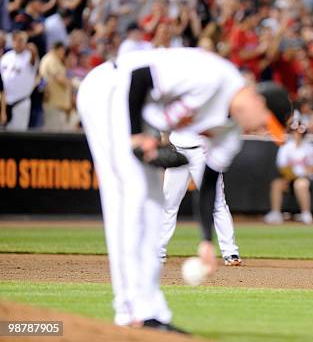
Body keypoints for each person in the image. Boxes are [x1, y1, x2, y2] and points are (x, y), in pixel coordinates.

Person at [77, 47, 291, 332]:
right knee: (132, 195)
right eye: (266, 123)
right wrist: (135, 137)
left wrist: (205, 241)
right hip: (109, 88)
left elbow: (209, 186)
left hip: (140, 112)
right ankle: (130, 311)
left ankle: (151, 312)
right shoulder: (214, 78)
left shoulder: (230, 135)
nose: (264, 130)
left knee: (153, 205)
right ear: (257, 101)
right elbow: (140, 77)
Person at [159, 130, 242, 266]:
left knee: (217, 203)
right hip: (177, 151)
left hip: (202, 152)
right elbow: (165, 121)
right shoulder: (175, 108)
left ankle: (230, 252)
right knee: (168, 203)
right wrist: (165, 143)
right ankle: (158, 251)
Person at [265, 118, 313, 225]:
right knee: (276, 184)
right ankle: (275, 213)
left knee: (301, 184)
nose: (296, 134)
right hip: (288, 177)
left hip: (305, 178)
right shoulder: (286, 147)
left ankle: (306, 214)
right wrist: (289, 177)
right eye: (294, 132)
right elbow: (282, 166)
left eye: (299, 132)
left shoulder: (310, 147)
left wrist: (300, 174)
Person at [0, 31, 39, 131]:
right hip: (4, 103)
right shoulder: (6, 57)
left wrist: (33, 50)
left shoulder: (29, 56)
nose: (18, 43)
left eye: (21, 40)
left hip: (20, 102)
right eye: (15, 40)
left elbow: (34, 57)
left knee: (18, 134)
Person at [39, 42, 72, 131]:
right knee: (52, 133)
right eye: (62, 51)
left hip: (57, 105)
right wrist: (73, 84)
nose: (63, 54)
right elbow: (60, 79)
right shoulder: (51, 59)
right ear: (58, 49)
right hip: (53, 104)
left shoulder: (54, 60)